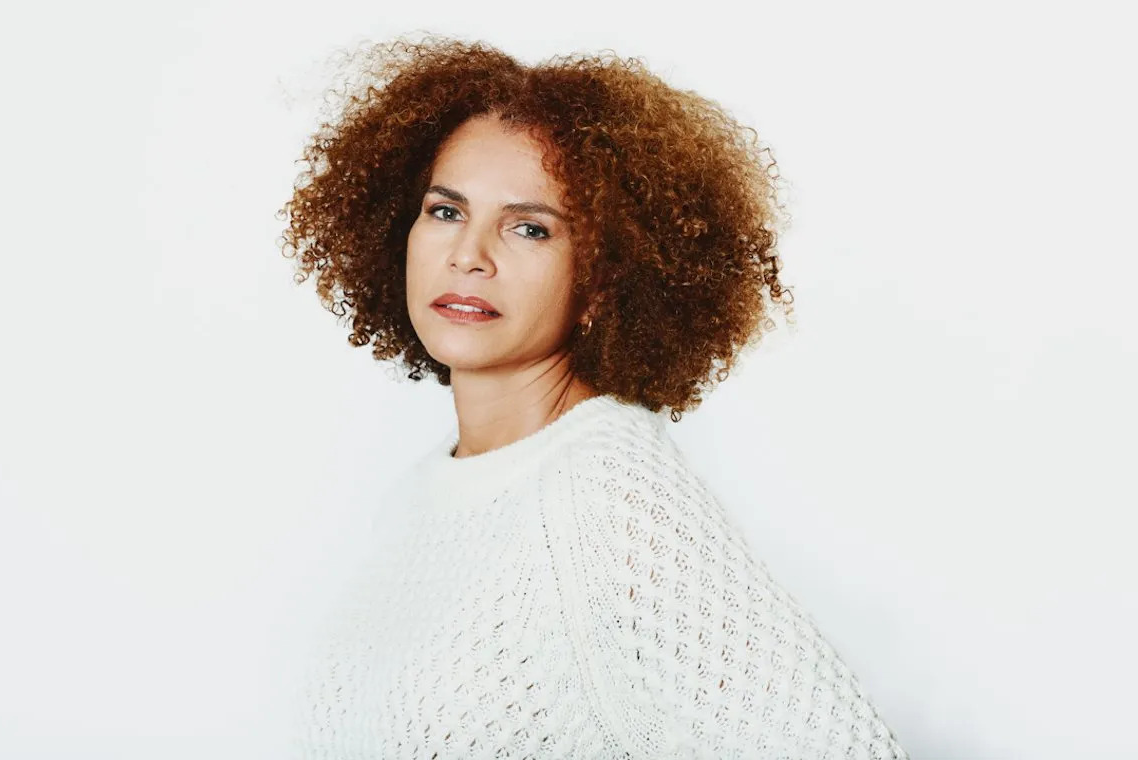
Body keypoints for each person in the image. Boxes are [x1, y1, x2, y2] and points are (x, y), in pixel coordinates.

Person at [278, 34, 908, 760]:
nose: (468, 255)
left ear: (603, 281)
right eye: (446, 211)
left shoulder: (610, 495)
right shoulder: (421, 495)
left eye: (529, 228)